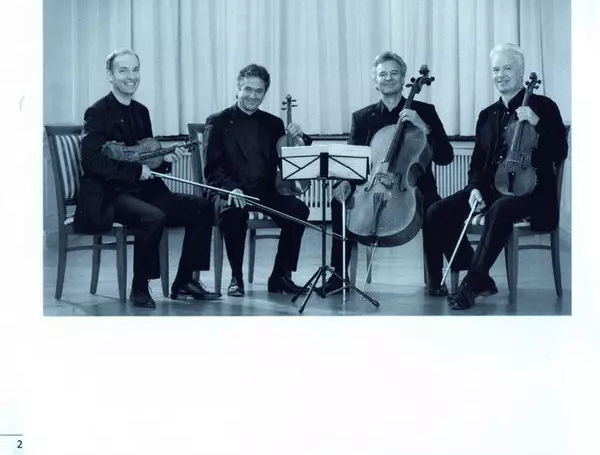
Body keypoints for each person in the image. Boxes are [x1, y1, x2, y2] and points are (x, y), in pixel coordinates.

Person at [424, 43, 569, 310]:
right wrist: (475, 189)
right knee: (437, 212)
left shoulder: (544, 107)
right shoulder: (487, 115)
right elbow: (478, 163)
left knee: (501, 208)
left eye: (507, 69)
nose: (500, 75)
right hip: (492, 190)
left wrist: (538, 123)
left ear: (521, 71)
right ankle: (479, 275)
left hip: (534, 193)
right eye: (496, 70)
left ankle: (470, 285)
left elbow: (560, 150)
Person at [74, 48, 221, 308]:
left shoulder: (141, 111)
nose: (131, 77)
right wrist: (134, 172)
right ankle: (140, 287)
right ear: (110, 75)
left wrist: (165, 160)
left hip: (145, 190)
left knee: (202, 207)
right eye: (123, 71)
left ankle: (184, 281)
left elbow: (146, 157)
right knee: (153, 216)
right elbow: (92, 162)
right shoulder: (96, 112)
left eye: (135, 70)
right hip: (112, 195)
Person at [316, 50, 454, 297]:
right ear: (375, 80)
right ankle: (337, 275)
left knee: (434, 206)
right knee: (339, 201)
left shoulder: (425, 111)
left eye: (394, 73)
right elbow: (352, 159)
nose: (388, 78)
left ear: (403, 79)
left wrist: (423, 126)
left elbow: (446, 157)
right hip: (373, 185)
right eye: (383, 74)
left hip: (414, 185)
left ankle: (435, 277)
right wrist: (344, 181)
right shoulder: (362, 117)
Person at [203, 64, 311, 297]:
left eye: (259, 91)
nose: (253, 96)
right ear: (238, 88)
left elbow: (291, 157)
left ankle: (280, 277)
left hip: (266, 190)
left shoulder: (274, 123)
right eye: (248, 89)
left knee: (299, 210)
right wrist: (231, 189)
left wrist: (300, 137)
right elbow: (211, 169)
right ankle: (236, 278)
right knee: (234, 212)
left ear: (265, 93)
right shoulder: (218, 121)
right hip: (229, 189)